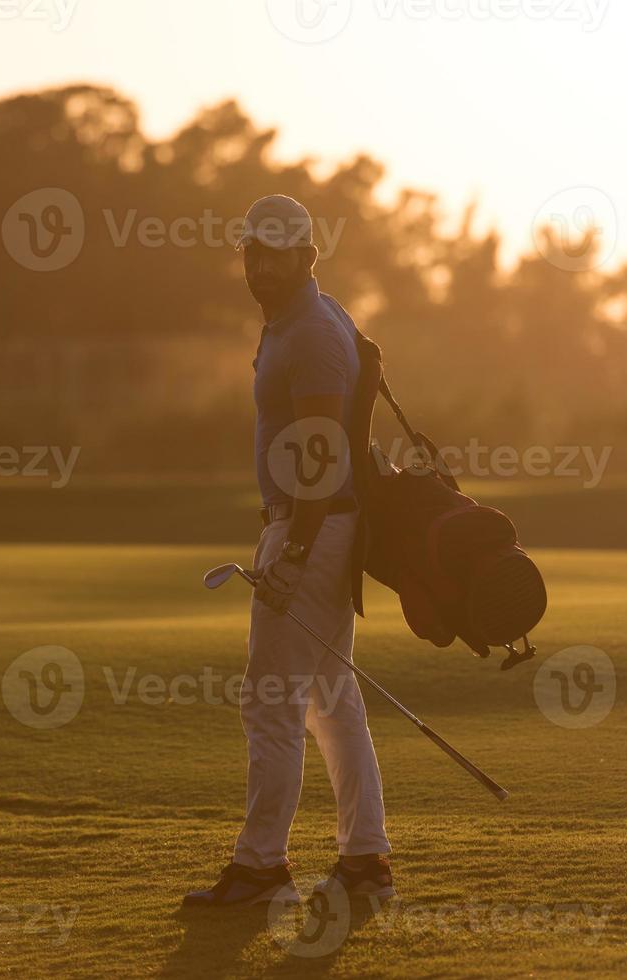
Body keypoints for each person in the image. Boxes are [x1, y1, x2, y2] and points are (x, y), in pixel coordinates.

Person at [183, 194, 394, 908]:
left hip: (311, 526)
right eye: (253, 252)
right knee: (331, 700)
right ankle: (364, 859)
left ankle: (260, 867)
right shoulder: (295, 321)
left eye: (278, 253)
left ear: (308, 256)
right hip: (316, 525)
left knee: (271, 701)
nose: (262, 265)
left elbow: (320, 454)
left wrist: (295, 549)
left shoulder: (308, 333)